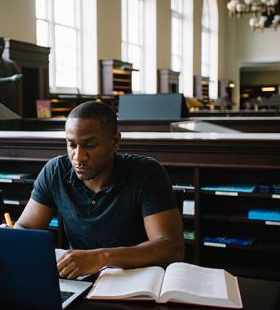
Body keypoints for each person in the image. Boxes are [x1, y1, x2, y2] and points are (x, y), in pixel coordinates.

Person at [15, 101, 184, 279]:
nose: (78, 157)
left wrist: (100, 258)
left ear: (115, 141)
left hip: (135, 282)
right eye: (72, 145)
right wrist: (12, 236)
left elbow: (171, 248)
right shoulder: (55, 171)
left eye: (89, 145)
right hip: (79, 281)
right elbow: (26, 226)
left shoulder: (147, 173)